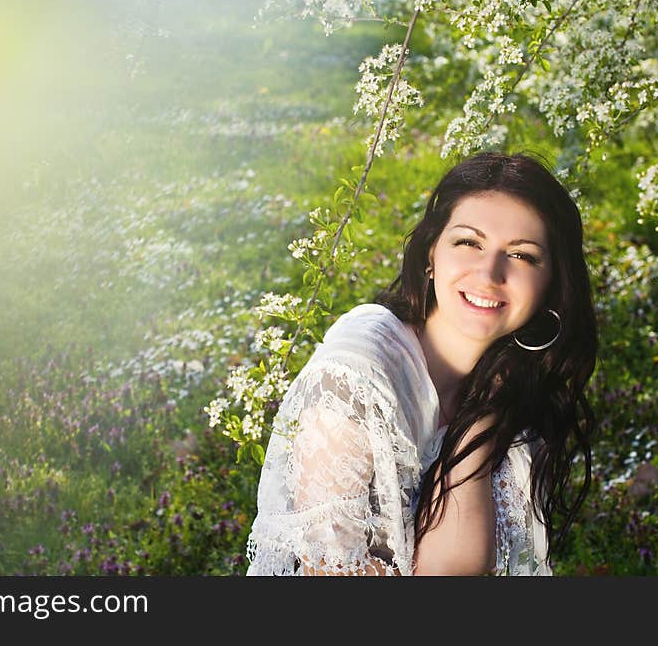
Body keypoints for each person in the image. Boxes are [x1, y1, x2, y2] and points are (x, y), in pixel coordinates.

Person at [244, 151, 598, 576]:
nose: (489, 273)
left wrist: (479, 426)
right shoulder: (354, 374)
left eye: (522, 255)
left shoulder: (507, 383)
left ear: (551, 285)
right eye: (469, 242)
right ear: (431, 255)